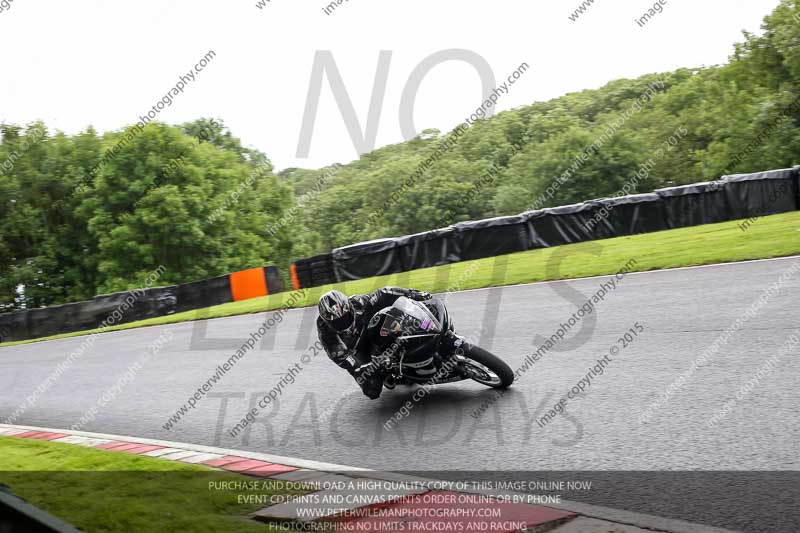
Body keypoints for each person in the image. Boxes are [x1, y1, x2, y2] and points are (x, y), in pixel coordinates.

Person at [317, 287, 433, 399]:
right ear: (327, 321)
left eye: (344, 317)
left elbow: (383, 293)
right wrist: (362, 367)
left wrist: (411, 293)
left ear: (349, 307)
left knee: (391, 312)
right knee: (372, 390)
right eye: (337, 321)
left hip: (369, 331)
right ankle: (388, 373)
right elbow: (343, 358)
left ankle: (421, 329)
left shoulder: (357, 302)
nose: (343, 323)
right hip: (356, 352)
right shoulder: (325, 332)